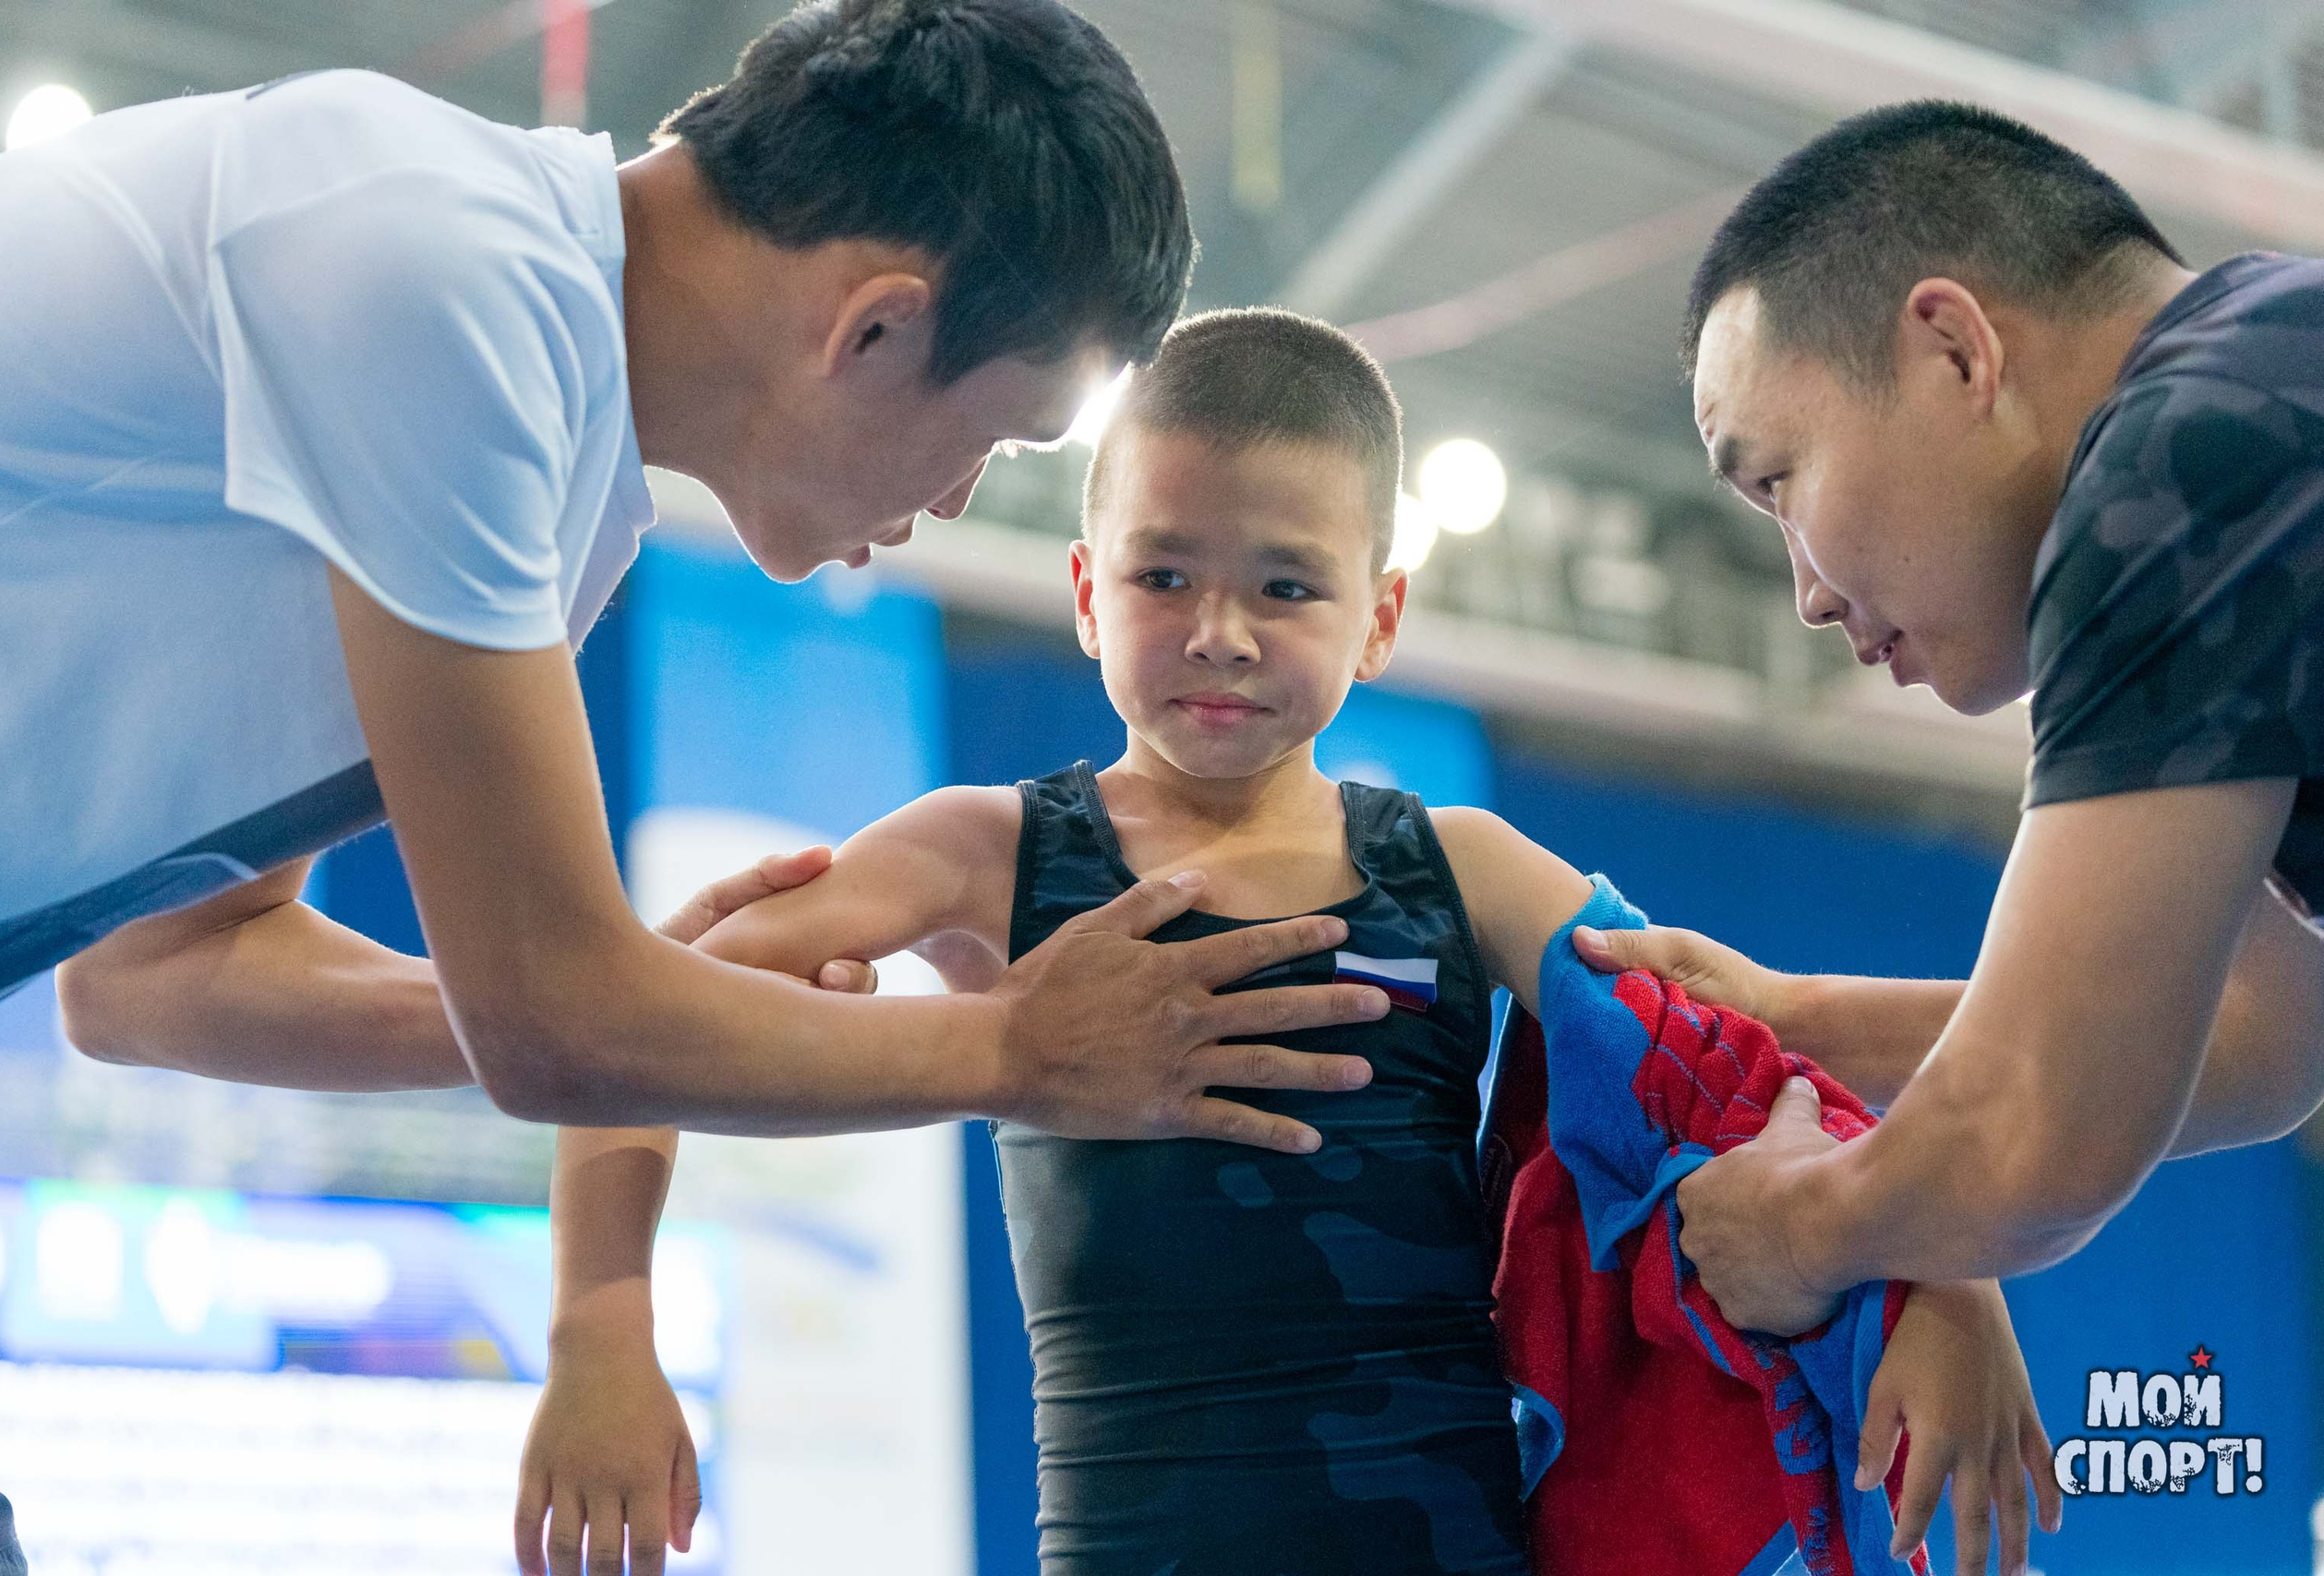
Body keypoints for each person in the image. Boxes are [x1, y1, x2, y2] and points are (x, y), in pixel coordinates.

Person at [0, 6, 1388, 1570]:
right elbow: (554, 1024)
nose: (954, 498)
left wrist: (654, 996)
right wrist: (1013, 1048)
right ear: (878, 331)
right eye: (994, 437)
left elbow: (152, 981)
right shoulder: (436, 263)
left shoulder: (565, 505)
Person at [514, 308, 2053, 1576]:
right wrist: (600, 1328)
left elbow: (1749, 1071)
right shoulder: (987, 855)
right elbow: (638, 1021)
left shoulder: (1464, 872)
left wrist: (1949, 1280)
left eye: (1286, 587)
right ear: (1083, 591)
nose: (1221, 632)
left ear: (1378, 617)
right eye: (1163, 575)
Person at [1578, 100, 2324, 1339]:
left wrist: (1799, 1229)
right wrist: (1791, 1021)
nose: (1808, 596)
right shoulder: (2261, 385)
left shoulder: (2183, 462)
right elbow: (2263, 1036)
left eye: (1778, 482)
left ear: (1954, 352)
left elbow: (2037, 1124)